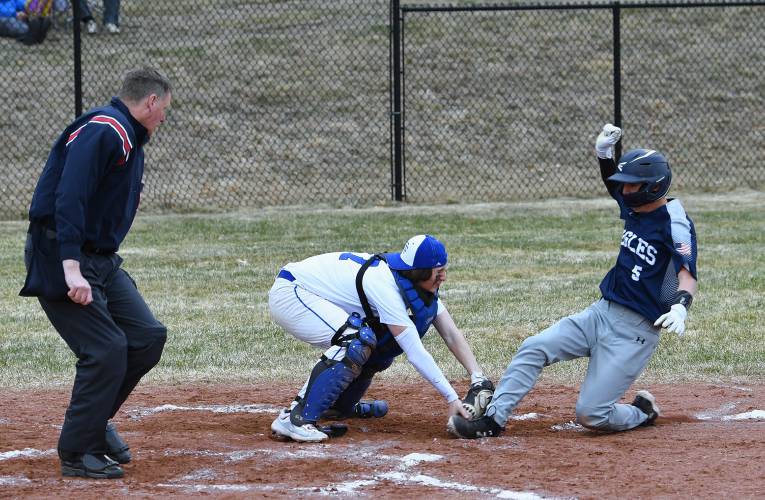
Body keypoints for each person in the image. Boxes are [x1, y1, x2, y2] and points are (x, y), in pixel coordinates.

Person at [448, 124, 698, 439]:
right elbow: (613, 185)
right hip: (600, 314)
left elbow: (687, 275)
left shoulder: (675, 224)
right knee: (533, 348)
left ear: (652, 187)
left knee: (591, 414)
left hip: (634, 334)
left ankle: (641, 412)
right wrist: (603, 154)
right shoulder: (635, 206)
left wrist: (681, 307)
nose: (625, 191)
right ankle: (492, 422)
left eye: (633, 186)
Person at [20, 67, 172, 478]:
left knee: (145, 337)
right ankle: (76, 452)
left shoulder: (128, 137)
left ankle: (95, 421)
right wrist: (71, 268)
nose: (163, 120)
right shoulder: (107, 129)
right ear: (151, 102)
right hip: (61, 255)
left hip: (100, 260)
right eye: (163, 111)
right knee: (104, 349)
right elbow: (69, 195)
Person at [268, 234, 492, 442]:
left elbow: (451, 334)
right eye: (438, 271)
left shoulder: (415, 285)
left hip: (309, 291)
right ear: (420, 271)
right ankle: (294, 418)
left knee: (379, 350)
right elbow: (415, 352)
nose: (443, 277)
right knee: (356, 340)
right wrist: (452, 398)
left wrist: (477, 376)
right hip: (292, 292)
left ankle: (334, 405)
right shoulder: (385, 285)